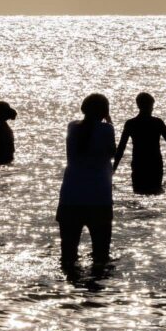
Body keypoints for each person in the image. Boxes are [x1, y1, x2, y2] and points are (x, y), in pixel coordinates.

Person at [56, 94, 116, 269]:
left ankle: (70, 291)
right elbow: (112, 152)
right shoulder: (107, 129)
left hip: (70, 196)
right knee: (101, 256)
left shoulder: (72, 127)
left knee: (68, 256)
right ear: (104, 111)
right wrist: (109, 121)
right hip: (99, 197)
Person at [113, 93, 166, 194]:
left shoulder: (131, 123)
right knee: (156, 192)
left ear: (138, 105)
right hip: (154, 163)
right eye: (151, 106)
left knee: (139, 192)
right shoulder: (157, 122)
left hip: (139, 163)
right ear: (150, 106)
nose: (152, 109)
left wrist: (113, 169)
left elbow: (121, 149)